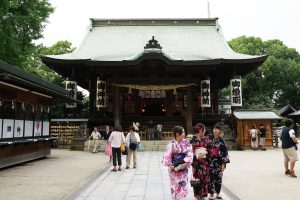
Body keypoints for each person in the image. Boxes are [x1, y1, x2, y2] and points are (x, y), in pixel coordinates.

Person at [163, 126, 193, 200]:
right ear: (177, 134)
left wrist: (185, 163)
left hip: (183, 168)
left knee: (183, 186)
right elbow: (167, 156)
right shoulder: (171, 144)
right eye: (182, 132)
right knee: (174, 186)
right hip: (174, 169)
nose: (184, 133)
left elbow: (190, 153)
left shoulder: (187, 142)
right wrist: (171, 165)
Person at [208, 123, 230, 200]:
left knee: (219, 178)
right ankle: (211, 194)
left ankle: (218, 193)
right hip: (210, 162)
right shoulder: (208, 139)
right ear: (213, 130)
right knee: (210, 178)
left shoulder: (221, 140)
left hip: (219, 162)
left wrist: (223, 164)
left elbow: (225, 153)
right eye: (214, 129)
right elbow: (205, 149)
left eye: (217, 129)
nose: (215, 130)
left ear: (219, 131)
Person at [190, 123, 211, 200]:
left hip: (205, 164)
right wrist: (193, 165)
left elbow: (212, 150)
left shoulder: (206, 139)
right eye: (204, 129)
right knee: (197, 181)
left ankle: (203, 197)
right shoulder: (192, 141)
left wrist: (205, 152)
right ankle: (197, 197)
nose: (205, 131)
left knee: (205, 180)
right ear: (201, 130)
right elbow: (190, 154)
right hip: (196, 164)